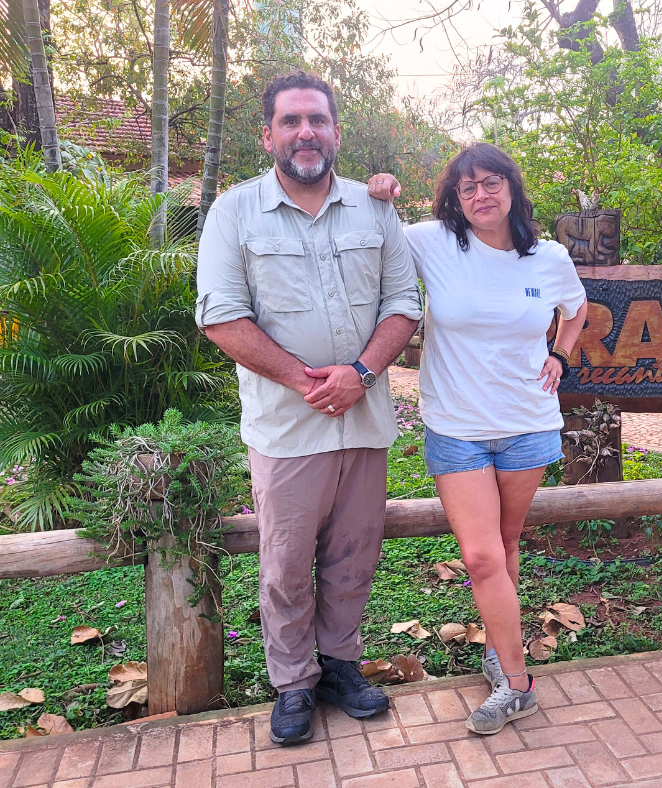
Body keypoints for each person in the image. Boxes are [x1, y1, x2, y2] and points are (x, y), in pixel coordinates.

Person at [195, 72, 422, 746]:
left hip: (365, 421)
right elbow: (220, 318)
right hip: (287, 429)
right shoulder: (233, 213)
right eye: (290, 121)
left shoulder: (375, 210)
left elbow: (404, 304)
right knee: (287, 564)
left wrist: (360, 373)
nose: (305, 133)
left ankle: (340, 666)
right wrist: (306, 381)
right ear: (267, 135)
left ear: (335, 133)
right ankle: (293, 682)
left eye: (316, 120)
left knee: (355, 555)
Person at [368, 143, 588, 734]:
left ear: (512, 189)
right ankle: (518, 684)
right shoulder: (434, 243)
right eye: (467, 189)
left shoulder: (549, 257)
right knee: (481, 555)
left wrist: (560, 355)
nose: (480, 195)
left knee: (507, 542)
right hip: (457, 428)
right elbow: (375, 224)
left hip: (528, 424)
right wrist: (382, 188)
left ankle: (500, 650)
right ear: (454, 199)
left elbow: (578, 307)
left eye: (491, 183)